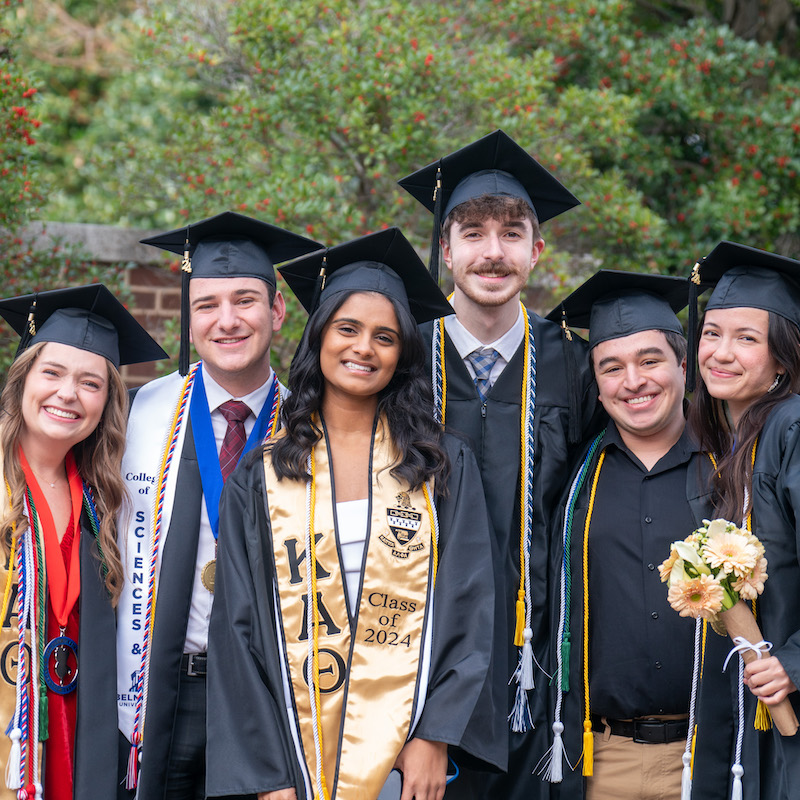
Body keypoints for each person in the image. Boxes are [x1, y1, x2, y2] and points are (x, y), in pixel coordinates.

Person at [206, 227, 504, 800]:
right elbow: (238, 630)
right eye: (347, 329)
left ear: (403, 354)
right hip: (293, 753)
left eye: (385, 337)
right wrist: (267, 777)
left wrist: (434, 735)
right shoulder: (264, 473)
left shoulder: (439, 466)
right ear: (318, 337)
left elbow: (470, 603)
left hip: (402, 756)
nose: (364, 348)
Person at [398, 129, 597, 797]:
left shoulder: (574, 365)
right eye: (474, 232)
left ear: (537, 251)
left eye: (512, 233)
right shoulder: (398, 359)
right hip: (414, 663)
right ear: (445, 248)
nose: (493, 251)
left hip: (537, 670)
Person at [115, 211, 322, 800]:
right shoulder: (135, 416)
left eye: (246, 301)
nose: (226, 320)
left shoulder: (314, 426)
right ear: (190, 315)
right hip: (161, 688)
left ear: (277, 312)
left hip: (272, 696)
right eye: (207, 304)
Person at [539, 271, 714, 800]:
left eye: (650, 360)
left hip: (715, 754)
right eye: (611, 368)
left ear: (684, 366)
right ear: (596, 384)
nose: (633, 381)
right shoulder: (569, 482)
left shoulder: (736, 470)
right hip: (602, 761)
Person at [0, 284, 167, 800]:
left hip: (76, 732)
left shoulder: (105, 501)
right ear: (23, 378)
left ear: (107, 402)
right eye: (51, 373)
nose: (68, 394)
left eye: (90, 383)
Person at [686, 241, 800, 800]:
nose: (720, 352)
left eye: (746, 339)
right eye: (711, 333)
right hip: (744, 713)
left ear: (783, 359)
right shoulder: (727, 444)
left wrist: (795, 663)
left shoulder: (792, 429)